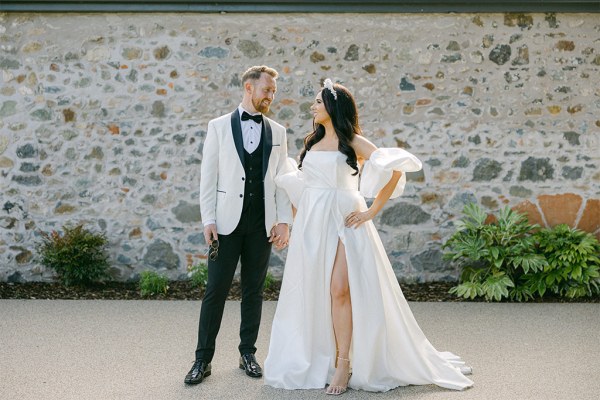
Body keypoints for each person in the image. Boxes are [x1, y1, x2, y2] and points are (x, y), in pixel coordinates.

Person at [264, 79, 474, 394]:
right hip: (313, 222)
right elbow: (302, 189)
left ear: (333, 107)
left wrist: (370, 211)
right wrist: (293, 226)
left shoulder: (353, 142)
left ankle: (345, 363)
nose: (313, 106)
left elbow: (394, 171)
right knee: (317, 293)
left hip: (346, 220)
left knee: (340, 290)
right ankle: (325, 357)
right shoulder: (310, 142)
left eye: (318, 102)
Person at [185, 65, 293, 385]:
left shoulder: (278, 131)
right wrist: (208, 219)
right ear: (249, 87)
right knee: (215, 291)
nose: (270, 96)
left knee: (254, 291)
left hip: (261, 225)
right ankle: (202, 360)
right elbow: (209, 177)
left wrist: (283, 221)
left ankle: (248, 353)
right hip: (226, 223)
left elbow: (283, 180)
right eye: (266, 90)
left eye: (273, 91)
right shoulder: (217, 127)